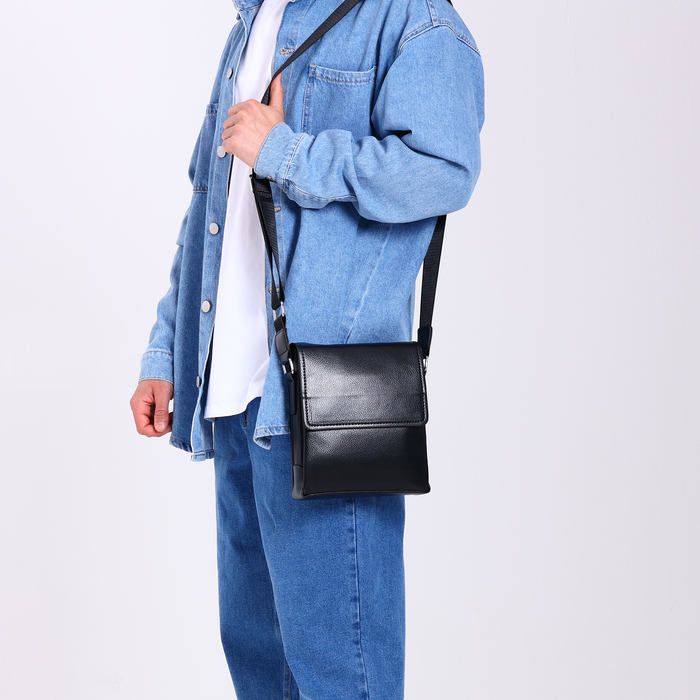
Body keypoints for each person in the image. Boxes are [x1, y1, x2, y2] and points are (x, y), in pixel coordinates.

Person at [130, 0, 484, 696]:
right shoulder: (253, 19)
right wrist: (167, 351)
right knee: (259, 672)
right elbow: (208, 204)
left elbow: (444, 169)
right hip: (234, 402)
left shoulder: (412, 18)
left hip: (326, 404)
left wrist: (289, 153)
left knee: (342, 677)